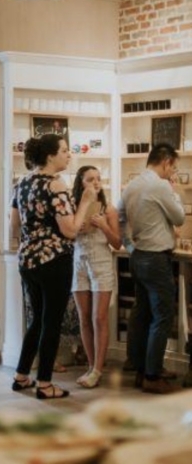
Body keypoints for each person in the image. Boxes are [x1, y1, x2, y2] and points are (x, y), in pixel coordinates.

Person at [10, 134, 96, 399]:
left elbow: (14, 226)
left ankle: (22, 375)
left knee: (37, 319)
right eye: (64, 151)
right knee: (51, 322)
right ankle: (45, 384)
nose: (68, 155)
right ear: (50, 156)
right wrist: (85, 202)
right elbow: (70, 230)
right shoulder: (56, 185)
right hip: (54, 261)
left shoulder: (22, 183)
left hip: (28, 261)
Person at [118, 143, 184, 394]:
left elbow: (120, 216)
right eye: (173, 167)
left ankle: (140, 369)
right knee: (163, 315)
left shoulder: (132, 184)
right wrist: (174, 191)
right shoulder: (160, 185)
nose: (173, 172)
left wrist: (129, 246)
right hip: (156, 258)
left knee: (142, 313)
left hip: (138, 256)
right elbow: (178, 218)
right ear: (166, 162)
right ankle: (153, 375)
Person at [71, 165, 121, 388]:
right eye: (90, 179)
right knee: (83, 318)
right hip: (78, 262)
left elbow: (117, 243)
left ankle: (98, 369)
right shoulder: (74, 207)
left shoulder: (108, 208)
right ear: (80, 183)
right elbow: (65, 235)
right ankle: (90, 367)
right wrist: (76, 230)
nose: (96, 182)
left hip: (101, 263)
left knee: (99, 318)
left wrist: (102, 225)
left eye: (98, 178)